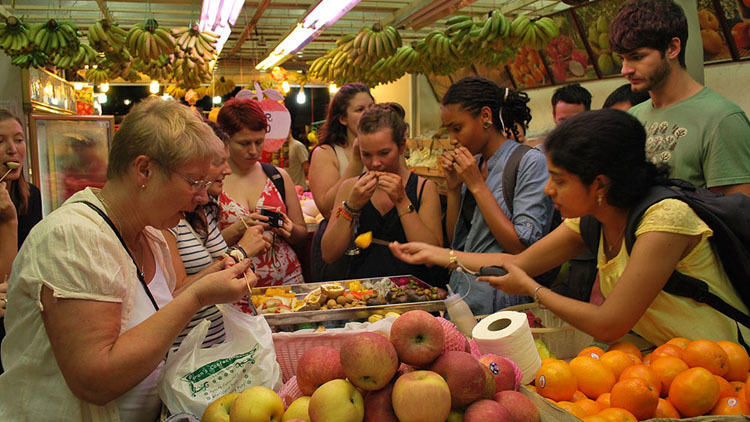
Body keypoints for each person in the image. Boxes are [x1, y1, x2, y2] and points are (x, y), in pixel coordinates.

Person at [390, 109, 749, 346]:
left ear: (599, 184)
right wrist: (440, 255)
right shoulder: (591, 219)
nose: (548, 190)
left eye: (559, 181)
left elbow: (609, 323)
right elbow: (521, 261)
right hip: (669, 362)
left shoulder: (665, 221)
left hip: (725, 368)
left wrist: (532, 290)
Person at [0, 98, 256, 421]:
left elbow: (149, 320)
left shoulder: (151, 236)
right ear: (144, 170)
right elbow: (96, 379)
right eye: (194, 182)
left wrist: (211, 279)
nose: (203, 197)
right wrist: (198, 296)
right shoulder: (74, 237)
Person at [610, 0, 750, 196]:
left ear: (672, 48)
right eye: (621, 59)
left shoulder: (721, 119)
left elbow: (737, 214)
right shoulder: (632, 117)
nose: (626, 70)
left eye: (637, 57)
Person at [440, 77, 554, 315]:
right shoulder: (477, 162)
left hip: (502, 305)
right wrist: (453, 188)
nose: (452, 140)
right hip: (464, 298)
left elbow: (521, 247)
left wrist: (477, 185)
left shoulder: (528, 162)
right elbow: (458, 241)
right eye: (448, 130)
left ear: (485, 116)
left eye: (457, 128)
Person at [163, 120, 270, 349]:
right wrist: (240, 252)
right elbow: (174, 296)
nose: (228, 170)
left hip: (215, 345)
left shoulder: (204, 210)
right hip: (185, 353)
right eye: (219, 161)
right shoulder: (165, 220)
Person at [321, 103, 444, 282]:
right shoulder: (350, 188)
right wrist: (351, 207)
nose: (375, 163)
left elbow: (432, 258)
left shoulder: (423, 188)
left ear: (402, 146)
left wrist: (402, 201)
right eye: (367, 155)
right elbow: (329, 254)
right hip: (363, 294)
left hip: (413, 294)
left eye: (384, 153)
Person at [216, 97, 307, 287]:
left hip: (288, 279)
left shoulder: (278, 177)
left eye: (259, 142)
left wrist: (289, 229)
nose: (253, 150)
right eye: (244, 143)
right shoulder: (213, 184)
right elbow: (202, 248)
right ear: (225, 140)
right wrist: (237, 230)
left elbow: (302, 235)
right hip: (234, 286)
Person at [308, 83, 374, 281]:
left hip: (373, 240)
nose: (368, 113)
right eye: (360, 109)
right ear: (343, 118)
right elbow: (327, 208)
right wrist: (355, 162)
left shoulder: (382, 151)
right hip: (339, 246)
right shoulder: (326, 153)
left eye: (372, 107)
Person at [0, 108, 43, 375]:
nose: (12, 150)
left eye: (18, 139)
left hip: (22, 322)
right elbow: (7, 282)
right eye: (0, 141)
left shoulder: (32, 196)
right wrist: (8, 221)